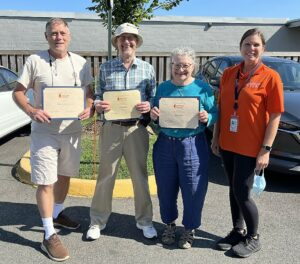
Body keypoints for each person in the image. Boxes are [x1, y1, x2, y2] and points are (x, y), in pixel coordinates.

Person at [13, 18, 94, 261]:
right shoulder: (34, 60)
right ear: (46, 36)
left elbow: (88, 94)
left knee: (65, 175)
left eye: (62, 33)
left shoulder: (81, 62)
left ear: (69, 35)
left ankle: (57, 213)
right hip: (44, 131)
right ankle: (49, 233)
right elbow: (18, 92)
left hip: (72, 131)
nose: (58, 37)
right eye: (53, 33)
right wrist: (31, 110)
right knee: (46, 182)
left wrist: (89, 108)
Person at [211, 28, 284, 258]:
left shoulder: (270, 77)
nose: (251, 49)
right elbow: (222, 108)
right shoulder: (228, 73)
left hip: (251, 146)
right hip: (228, 143)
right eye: (247, 44)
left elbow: (275, 116)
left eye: (256, 45)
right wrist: (215, 137)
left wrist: (266, 149)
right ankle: (237, 230)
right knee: (233, 189)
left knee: (243, 192)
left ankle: (253, 237)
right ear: (240, 47)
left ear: (263, 48)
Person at [86, 23, 157, 240]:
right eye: (122, 38)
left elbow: (154, 97)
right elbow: (98, 95)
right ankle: (97, 221)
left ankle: (144, 221)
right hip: (112, 129)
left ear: (137, 42)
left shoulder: (147, 68)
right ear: (116, 43)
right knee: (105, 176)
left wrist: (148, 105)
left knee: (140, 177)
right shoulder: (106, 67)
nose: (127, 42)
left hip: (137, 129)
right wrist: (98, 104)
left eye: (131, 38)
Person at [150, 47, 218, 249]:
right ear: (171, 66)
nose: (181, 69)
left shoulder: (202, 88)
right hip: (165, 144)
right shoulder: (162, 88)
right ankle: (169, 224)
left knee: (193, 189)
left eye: (186, 65)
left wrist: (208, 118)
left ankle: (189, 228)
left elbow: (215, 111)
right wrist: (154, 116)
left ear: (193, 66)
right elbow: (155, 119)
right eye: (177, 65)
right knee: (166, 188)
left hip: (193, 143)